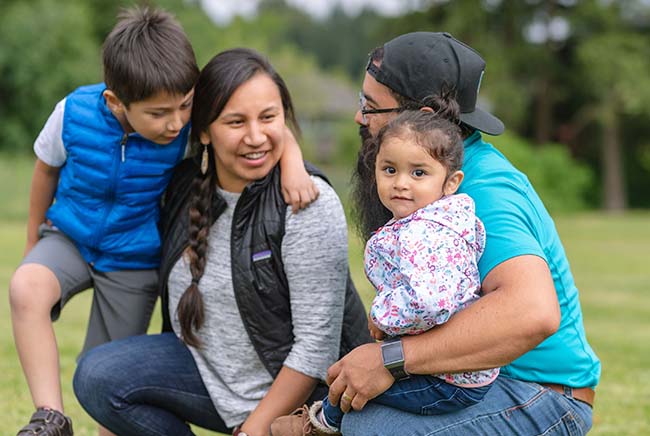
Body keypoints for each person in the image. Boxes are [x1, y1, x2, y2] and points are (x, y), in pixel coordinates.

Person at [9, 8, 317, 436]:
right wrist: (32, 244)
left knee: (106, 374)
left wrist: (295, 163)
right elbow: (45, 169)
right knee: (26, 286)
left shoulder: (185, 127)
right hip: (70, 236)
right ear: (117, 102)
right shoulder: (72, 113)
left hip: (133, 258)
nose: (175, 123)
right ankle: (49, 417)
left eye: (185, 105)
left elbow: (259, 125)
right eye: (158, 113)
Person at [72, 47, 371, 436]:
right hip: (210, 379)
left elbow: (315, 352)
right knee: (98, 375)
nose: (255, 136)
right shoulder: (179, 187)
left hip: (300, 399)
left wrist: (253, 431)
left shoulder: (306, 203)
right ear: (203, 130)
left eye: (268, 117)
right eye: (235, 121)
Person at [324, 32, 600, 435]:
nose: (358, 118)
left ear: (415, 115)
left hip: (545, 395)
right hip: (474, 379)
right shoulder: (425, 180)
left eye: (369, 106)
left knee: (374, 428)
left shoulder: (483, 190)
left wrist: (393, 359)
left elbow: (533, 312)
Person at [272, 108, 501, 436]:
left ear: (451, 182)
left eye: (419, 173)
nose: (401, 184)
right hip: (460, 368)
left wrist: (384, 315)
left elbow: (430, 302)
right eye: (389, 170)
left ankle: (320, 424)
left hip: (448, 379)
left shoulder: (425, 233)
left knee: (352, 382)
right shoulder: (443, 220)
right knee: (363, 369)